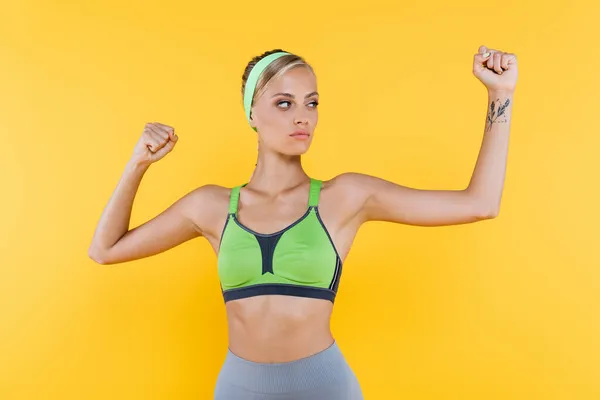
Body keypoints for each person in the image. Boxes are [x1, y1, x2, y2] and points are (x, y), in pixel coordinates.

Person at [88, 46, 518, 399]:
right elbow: (104, 250)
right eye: (284, 103)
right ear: (251, 113)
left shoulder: (345, 197)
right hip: (239, 389)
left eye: (312, 103)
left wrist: (501, 95)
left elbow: (480, 204)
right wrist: (137, 165)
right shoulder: (211, 206)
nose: (303, 116)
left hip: (324, 388)